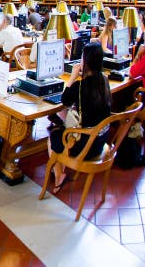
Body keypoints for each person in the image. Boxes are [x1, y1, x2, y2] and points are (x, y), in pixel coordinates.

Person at [47, 41, 112, 194]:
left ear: (86, 61)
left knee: (52, 133)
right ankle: (61, 165)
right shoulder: (104, 80)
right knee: (60, 119)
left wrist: (73, 77)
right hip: (100, 140)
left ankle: (59, 175)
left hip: (85, 147)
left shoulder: (81, 86)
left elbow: (64, 100)